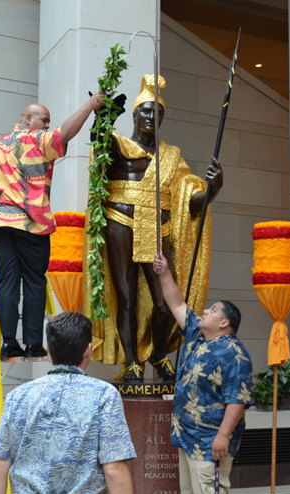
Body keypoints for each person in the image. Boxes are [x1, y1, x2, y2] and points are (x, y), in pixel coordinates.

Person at [83, 74, 223, 381]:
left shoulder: (171, 157)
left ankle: (158, 354)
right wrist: (101, 117)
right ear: (134, 115)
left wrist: (212, 188)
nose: (150, 117)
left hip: (157, 231)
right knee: (127, 297)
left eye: (156, 113)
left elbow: (189, 204)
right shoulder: (119, 145)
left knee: (163, 304)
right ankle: (132, 360)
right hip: (120, 223)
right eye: (145, 111)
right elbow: (99, 145)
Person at [0, 311, 139, 494]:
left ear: (49, 350)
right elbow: (114, 468)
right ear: (88, 350)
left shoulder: (18, 395)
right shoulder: (104, 395)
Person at [0, 93, 105, 360]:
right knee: (35, 283)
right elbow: (64, 134)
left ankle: (7, 343)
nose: (48, 126)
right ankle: (32, 343)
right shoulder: (35, 139)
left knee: (7, 280)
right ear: (28, 118)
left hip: (1, 222)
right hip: (31, 223)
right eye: (45, 120)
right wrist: (90, 104)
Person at [153, 252, 252, 494]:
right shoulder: (198, 336)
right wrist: (164, 273)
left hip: (211, 443)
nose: (205, 311)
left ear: (224, 323)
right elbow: (177, 303)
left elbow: (238, 400)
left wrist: (222, 437)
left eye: (212, 310)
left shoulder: (234, 353)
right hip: (188, 438)